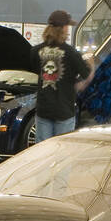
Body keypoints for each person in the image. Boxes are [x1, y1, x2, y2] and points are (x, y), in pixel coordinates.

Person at [32, 10, 92, 141]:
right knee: (61, 153)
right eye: (67, 27)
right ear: (64, 28)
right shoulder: (71, 53)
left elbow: (32, 70)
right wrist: (91, 63)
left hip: (43, 110)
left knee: (41, 153)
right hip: (64, 111)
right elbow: (86, 74)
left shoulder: (36, 50)